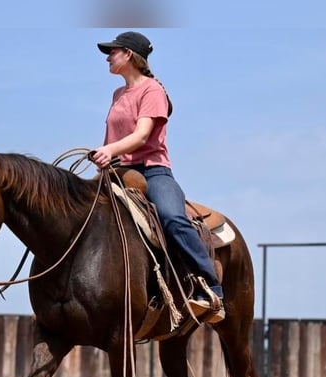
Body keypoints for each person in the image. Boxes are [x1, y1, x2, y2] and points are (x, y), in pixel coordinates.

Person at [91, 31, 225, 323]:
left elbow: (141, 136)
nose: (107, 57)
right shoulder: (118, 94)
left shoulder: (152, 90)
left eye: (112, 51)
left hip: (152, 171)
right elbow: (111, 136)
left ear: (129, 55)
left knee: (171, 217)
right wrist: (103, 164)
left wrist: (108, 149)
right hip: (118, 172)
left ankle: (211, 286)